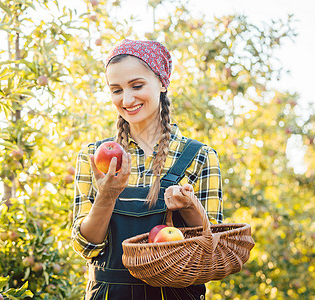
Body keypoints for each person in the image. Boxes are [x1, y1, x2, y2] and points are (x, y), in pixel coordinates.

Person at [72, 39, 223, 300]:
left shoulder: (200, 156)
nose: (127, 99)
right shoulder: (93, 157)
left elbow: (213, 250)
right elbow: (86, 246)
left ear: (162, 83)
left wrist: (189, 207)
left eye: (137, 85)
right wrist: (106, 196)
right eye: (116, 90)